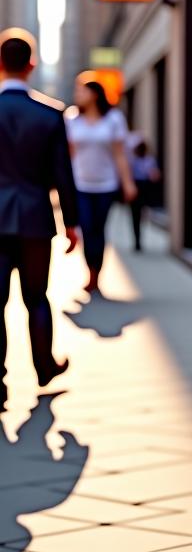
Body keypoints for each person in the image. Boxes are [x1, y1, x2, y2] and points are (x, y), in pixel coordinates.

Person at [0, 29, 79, 409]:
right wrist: (73, 224)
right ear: (31, 65)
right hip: (34, 220)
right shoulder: (50, 114)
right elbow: (62, 174)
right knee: (36, 297)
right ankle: (44, 367)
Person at [66, 78, 136, 293]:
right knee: (87, 228)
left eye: (82, 91)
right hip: (80, 185)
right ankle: (91, 273)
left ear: (94, 94)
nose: (77, 95)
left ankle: (98, 271)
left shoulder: (113, 119)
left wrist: (128, 183)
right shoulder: (72, 119)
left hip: (106, 185)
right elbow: (68, 155)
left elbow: (119, 154)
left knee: (99, 229)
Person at [127, 136, 160, 251]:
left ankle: (138, 239)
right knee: (136, 215)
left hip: (144, 189)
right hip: (137, 187)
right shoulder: (133, 160)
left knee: (138, 215)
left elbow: (155, 175)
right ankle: (137, 241)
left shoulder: (149, 160)